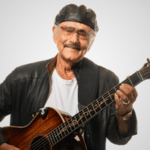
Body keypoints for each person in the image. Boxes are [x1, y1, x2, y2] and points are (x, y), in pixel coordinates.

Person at [0, 4, 137, 150]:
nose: (74, 39)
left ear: (91, 42)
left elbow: (119, 139)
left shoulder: (106, 81)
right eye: (68, 30)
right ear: (54, 33)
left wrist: (125, 113)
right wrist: (2, 144)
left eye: (82, 34)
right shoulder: (22, 78)